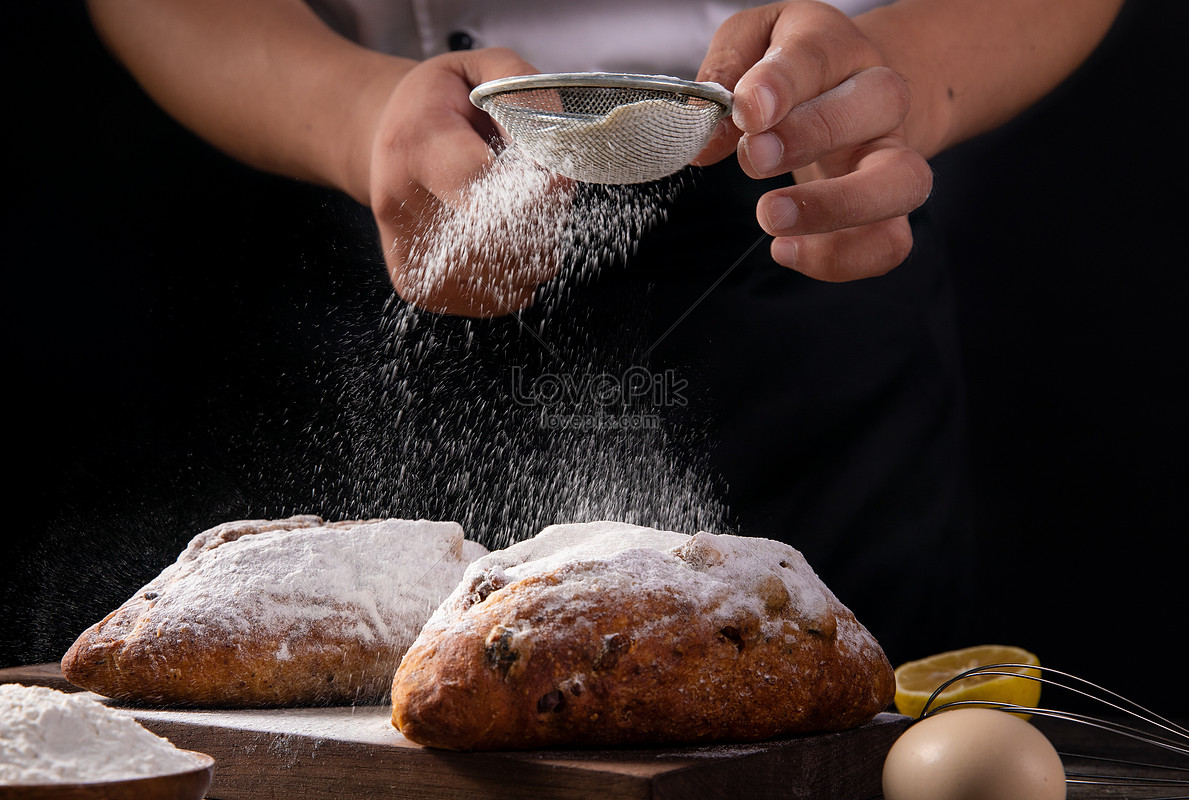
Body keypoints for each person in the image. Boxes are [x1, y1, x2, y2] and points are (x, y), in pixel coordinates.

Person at [80, 0, 1123, 664]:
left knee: (836, 719)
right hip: (422, 180)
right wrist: (354, 118)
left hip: (811, 194)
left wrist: (898, 76)